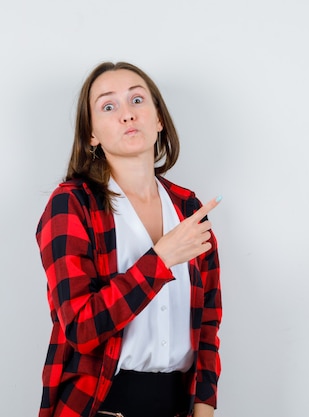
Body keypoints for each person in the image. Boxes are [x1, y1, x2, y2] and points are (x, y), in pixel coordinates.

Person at [35, 61, 222, 417]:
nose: (127, 115)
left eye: (137, 101)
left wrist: (204, 408)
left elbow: (208, 324)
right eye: (109, 106)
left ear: (159, 119)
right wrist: (161, 260)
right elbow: (81, 328)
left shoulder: (189, 207)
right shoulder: (71, 205)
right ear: (92, 134)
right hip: (101, 407)